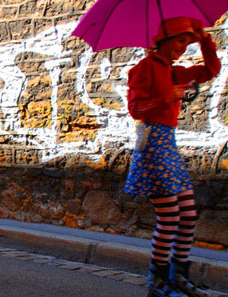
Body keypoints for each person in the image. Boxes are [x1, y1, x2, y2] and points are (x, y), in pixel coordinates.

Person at [124, 17, 221, 297]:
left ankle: (177, 277)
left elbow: (210, 70)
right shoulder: (145, 68)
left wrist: (204, 39)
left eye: (186, 42)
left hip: (169, 145)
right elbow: (136, 109)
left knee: (188, 216)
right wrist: (166, 99)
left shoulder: (173, 71)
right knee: (169, 218)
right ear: (163, 41)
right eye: (180, 41)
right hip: (154, 145)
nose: (183, 47)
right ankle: (157, 282)